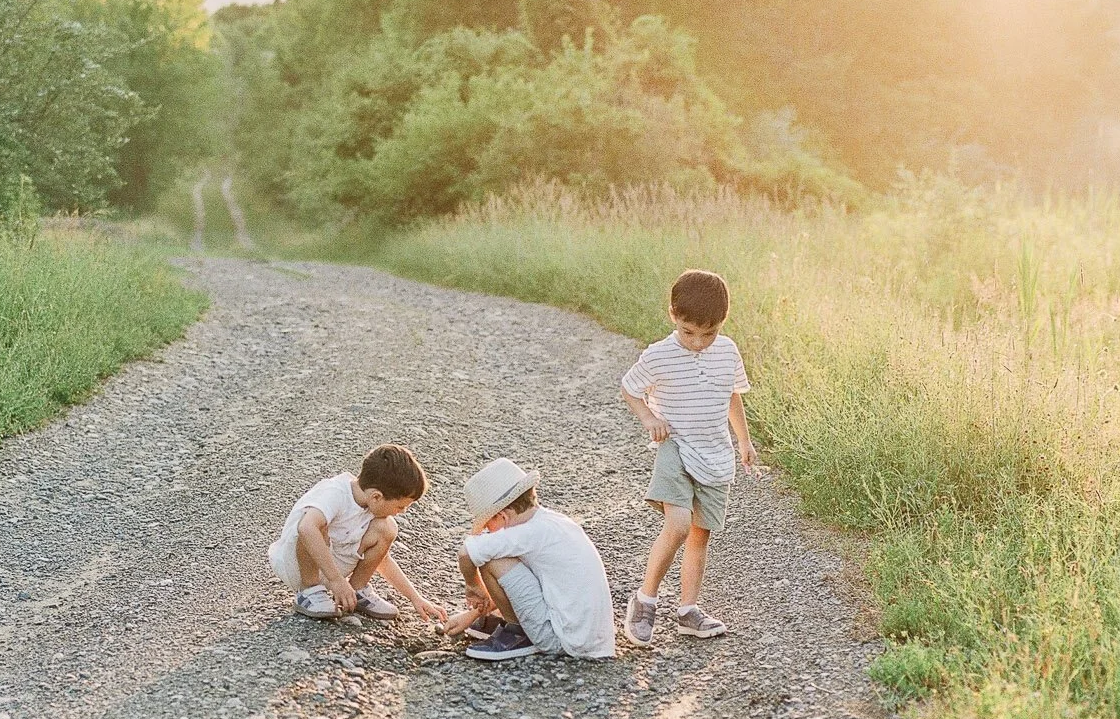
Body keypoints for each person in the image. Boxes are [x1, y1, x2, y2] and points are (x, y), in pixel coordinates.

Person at [618, 268, 760, 646]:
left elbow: (733, 397)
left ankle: (688, 610)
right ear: (673, 316)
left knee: (700, 535)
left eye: (708, 333)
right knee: (678, 524)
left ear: (721, 325)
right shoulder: (659, 355)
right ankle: (645, 599)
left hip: (715, 454)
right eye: (688, 332)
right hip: (675, 448)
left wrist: (744, 442)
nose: (698, 342)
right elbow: (629, 388)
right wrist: (650, 417)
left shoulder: (727, 351)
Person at [443, 458, 616, 662]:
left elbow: (466, 553)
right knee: (504, 556)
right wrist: (471, 615)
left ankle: (518, 633)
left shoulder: (527, 534)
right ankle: (509, 622)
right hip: (588, 637)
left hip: (565, 640)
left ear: (502, 516)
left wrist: (473, 586)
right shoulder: (552, 523)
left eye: (487, 526)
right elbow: (528, 584)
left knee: (492, 560)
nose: (487, 532)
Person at [269, 443, 447, 622]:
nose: (402, 511)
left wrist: (415, 598)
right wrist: (337, 581)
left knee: (386, 528)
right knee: (313, 524)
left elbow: (382, 560)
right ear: (376, 496)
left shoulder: (370, 504)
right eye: (400, 506)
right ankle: (309, 591)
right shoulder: (336, 493)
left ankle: (357, 590)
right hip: (298, 566)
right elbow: (306, 528)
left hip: (332, 565)